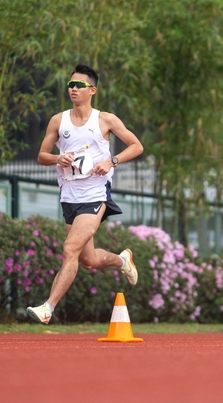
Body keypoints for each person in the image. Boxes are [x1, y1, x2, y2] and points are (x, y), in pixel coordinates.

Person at [26, 63, 144, 324]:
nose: (73, 89)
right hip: (69, 197)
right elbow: (42, 156)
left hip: (95, 195)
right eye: (70, 85)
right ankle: (122, 260)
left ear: (92, 90)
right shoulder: (58, 120)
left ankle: (47, 308)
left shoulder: (105, 120)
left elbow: (137, 146)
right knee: (88, 260)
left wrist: (111, 161)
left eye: (79, 85)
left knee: (70, 249)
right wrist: (58, 158)